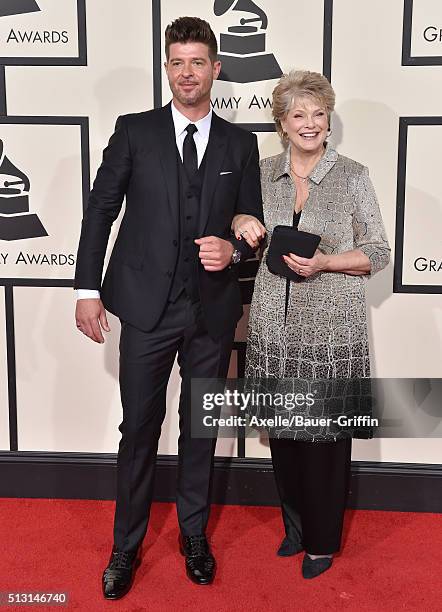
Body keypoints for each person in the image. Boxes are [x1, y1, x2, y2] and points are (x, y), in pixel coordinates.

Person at [74, 16, 264, 599]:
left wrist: (230, 246)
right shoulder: (134, 131)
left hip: (210, 310)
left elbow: (252, 223)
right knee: (138, 430)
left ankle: (193, 535)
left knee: (199, 430)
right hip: (146, 309)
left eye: (197, 62)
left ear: (216, 69)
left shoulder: (240, 141)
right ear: (167, 69)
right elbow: (101, 210)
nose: (187, 72)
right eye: (177, 62)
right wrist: (86, 289)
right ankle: (125, 546)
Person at [234, 70, 390, 579]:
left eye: (318, 114)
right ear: (282, 123)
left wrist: (325, 262)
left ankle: (322, 543)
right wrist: (240, 222)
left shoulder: (352, 176)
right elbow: (235, 226)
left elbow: (379, 252)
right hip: (273, 329)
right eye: (298, 114)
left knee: (324, 441)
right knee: (283, 435)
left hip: (331, 332)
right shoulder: (259, 175)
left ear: (329, 121)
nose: (309, 123)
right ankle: (295, 530)